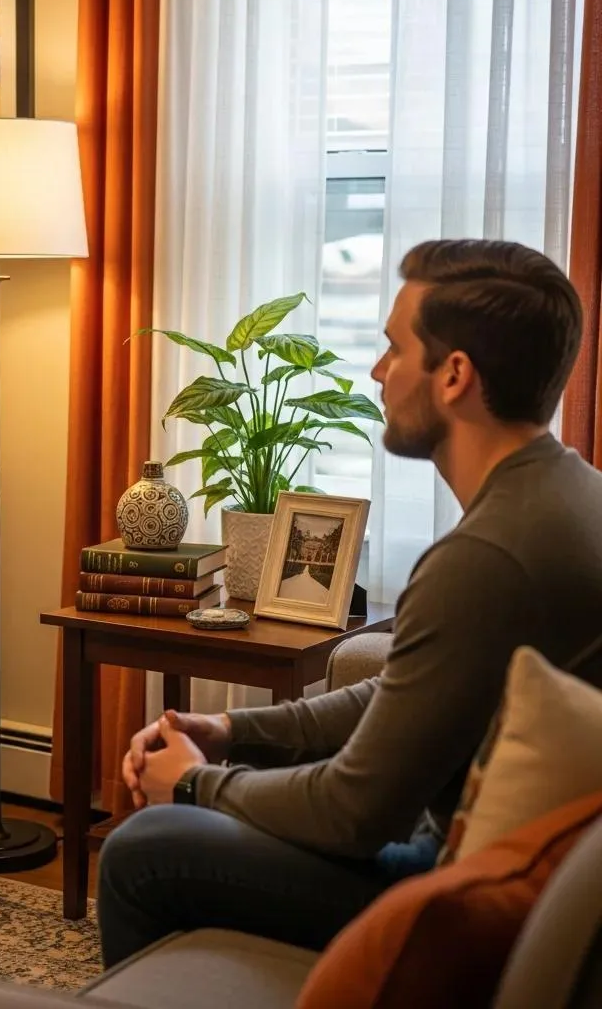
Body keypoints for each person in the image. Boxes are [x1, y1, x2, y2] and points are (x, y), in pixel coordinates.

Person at [98, 238, 602, 967]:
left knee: (142, 848)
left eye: (395, 349)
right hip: (506, 865)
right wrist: (232, 728)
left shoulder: (485, 558)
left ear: (454, 374)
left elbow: (354, 813)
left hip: (455, 889)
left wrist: (197, 783)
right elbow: (395, 691)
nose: (377, 371)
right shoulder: (567, 493)